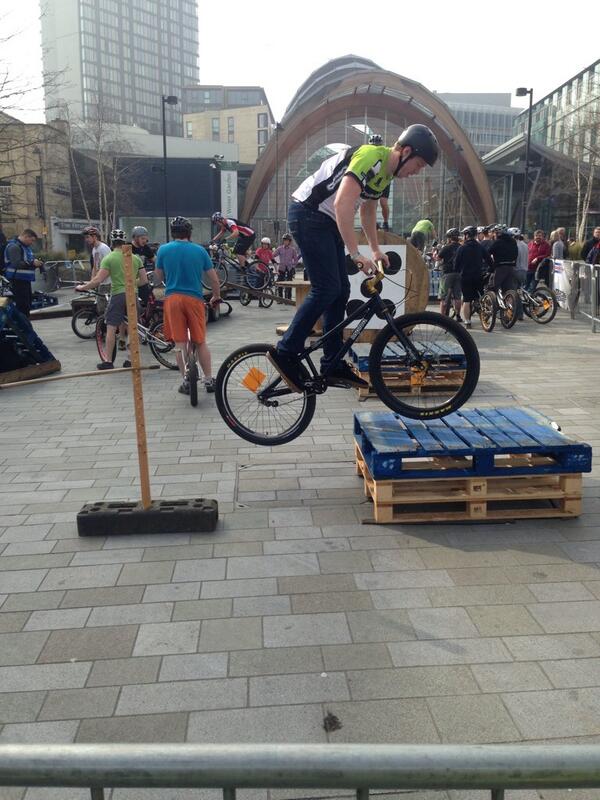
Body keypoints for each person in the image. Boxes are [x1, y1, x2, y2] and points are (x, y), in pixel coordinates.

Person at [269, 123, 439, 392]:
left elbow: (367, 212)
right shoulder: (371, 157)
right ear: (406, 152)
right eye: (417, 165)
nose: (416, 173)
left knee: (342, 290)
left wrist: (374, 249)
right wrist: (355, 253)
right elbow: (342, 204)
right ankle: (286, 350)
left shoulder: (385, 175)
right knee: (327, 288)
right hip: (308, 213)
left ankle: (331, 362)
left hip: (326, 221)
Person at [154, 216, 221, 395]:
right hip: (194, 299)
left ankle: (186, 381)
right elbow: (214, 279)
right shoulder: (200, 251)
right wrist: (216, 296)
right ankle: (208, 380)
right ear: (189, 233)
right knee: (200, 342)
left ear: (172, 232)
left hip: (173, 299)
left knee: (180, 343)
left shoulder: (163, 250)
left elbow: (158, 278)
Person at [76, 229, 149, 370]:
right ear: (125, 241)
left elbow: (98, 280)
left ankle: (108, 361)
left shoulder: (109, 258)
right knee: (133, 328)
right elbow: (144, 280)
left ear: (112, 242)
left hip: (117, 295)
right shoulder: (135, 258)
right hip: (133, 295)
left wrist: (82, 287)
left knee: (111, 327)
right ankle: (131, 359)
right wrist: (132, 283)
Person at [455, 225, 492, 328]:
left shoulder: (462, 248)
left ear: (466, 236)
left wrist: (458, 270)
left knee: (466, 300)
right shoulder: (480, 247)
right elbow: (489, 260)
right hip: (478, 276)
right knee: (481, 296)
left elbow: (456, 264)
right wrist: (491, 269)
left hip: (465, 277)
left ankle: (467, 322)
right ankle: (485, 312)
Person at [3, 229, 44, 318]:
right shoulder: (14, 246)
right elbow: (16, 263)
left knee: (27, 304)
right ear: (26, 237)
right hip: (17, 280)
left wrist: (35, 262)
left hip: (24, 280)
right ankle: (22, 327)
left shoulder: (25, 247)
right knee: (22, 305)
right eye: (31, 240)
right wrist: (32, 263)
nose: (32, 243)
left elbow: (26, 261)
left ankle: (24, 325)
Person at [437, 228, 462, 320]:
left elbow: (438, 258)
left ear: (449, 238)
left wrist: (434, 255)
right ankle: (458, 315)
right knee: (458, 296)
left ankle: (442, 317)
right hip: (458, 273)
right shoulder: (461, 247)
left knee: (443, 296)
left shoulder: (446, 247)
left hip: (447, 273)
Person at [368, 135, 391, 230]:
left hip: (384, 179)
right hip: (372, 180)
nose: (376, 148)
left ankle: (385, 222)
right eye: (374, 146)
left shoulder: (385, 154)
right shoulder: (368, 154)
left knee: (383, 202)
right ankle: (372, 222)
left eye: (378, 146)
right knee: (372, 203)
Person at [489, 225, 518, 292]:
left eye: (495, 233)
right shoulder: (513, 241)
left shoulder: (497, 242)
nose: (494, 235)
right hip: (511, 267)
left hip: (500, 267)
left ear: (498, 233)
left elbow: (488, 252)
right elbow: (516, 255)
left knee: (493, 288)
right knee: (508, 289)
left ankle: (494, 302)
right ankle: (510, 301)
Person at [273, 233, 300, 300]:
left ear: (289, 241)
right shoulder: (279, 248)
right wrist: (274, 261)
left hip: (289, 268)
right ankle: (280, 298)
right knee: (280, 283)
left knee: (289, 284)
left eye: (287, 240)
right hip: (281, 268)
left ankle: (288, 298)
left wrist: (293, 265)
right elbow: (272, 255)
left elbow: (296, 260)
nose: (286, 242)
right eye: (284, 240)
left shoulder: (292, 250)